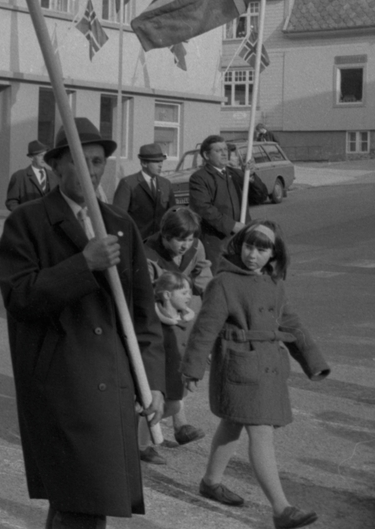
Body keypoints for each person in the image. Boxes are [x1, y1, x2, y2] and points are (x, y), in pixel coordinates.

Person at [0, 117, 164, 528]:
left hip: (114, 385)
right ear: (57, 165)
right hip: (62, 386)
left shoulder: (120, 226)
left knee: (86, 504)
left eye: (97, 161)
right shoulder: (28, 222)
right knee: (80, 503)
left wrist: (153, 379)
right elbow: (20, 298)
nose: (90, 169)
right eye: (79, 160)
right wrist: (83, 264)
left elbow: (143, 310)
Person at [181, 220, 328, 529]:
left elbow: (291, 323)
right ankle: (281, 508)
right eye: (249, 246)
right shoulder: (223, 283)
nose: (252, 255)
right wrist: (192, 370)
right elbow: (205, 330)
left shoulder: (274, 283)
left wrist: (312, 360)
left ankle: (210, 481)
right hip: (239, 367)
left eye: (262, 249)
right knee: (260, 430)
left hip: (267, 368)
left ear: (274, 255)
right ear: (239, 245)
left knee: (233, 423)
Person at [140, 207, 211, 453]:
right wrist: (171, 304)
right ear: (164, 235)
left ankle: (179, 425)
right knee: (159, 375)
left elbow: (203, 272)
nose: (186, 245)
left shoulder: (195, 246)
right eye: (180, 240)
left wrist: (202, 294)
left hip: (182, 315)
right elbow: (147, 293)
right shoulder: (147, 254)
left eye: (190, 239)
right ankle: (143, 437)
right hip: (159, 320)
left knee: (179, 368)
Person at [137, 270, 197, 465]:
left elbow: (192, 344)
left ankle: (137, 431)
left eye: (189, 292)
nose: (189, 297)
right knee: (157, 407)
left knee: (173, 405)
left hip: (175, 375)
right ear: (167, 295)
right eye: (184, 293)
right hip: (157, 375)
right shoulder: (153, 321)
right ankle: (142, 446)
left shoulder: (187, 318)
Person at [189, 135, 267, 269]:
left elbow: (260, 196)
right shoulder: (199, 178)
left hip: (242, 238)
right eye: (218, 151)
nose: (225, 153)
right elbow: (204, 208)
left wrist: (252, 176)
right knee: (219, 277)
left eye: (225, 150)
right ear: (207, 156)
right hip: (217, 241)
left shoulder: (236, 174)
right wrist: (232, 225)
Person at [112, 143, 173, 239]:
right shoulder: (128, 183)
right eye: (156, 162)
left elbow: (172, 214)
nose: (160, 165)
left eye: (161, 161)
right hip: (137, 242)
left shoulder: (166, 184)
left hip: (160, 243)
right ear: (144, 163)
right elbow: (118, 217)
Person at [5, 140, 53, 212]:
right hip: (29, 221)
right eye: (40, 155)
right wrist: (24, 214)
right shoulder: (19, 176)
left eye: (45, 155)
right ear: (31, 158)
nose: (43, 158)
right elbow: (11, 202)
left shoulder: (53, 175)